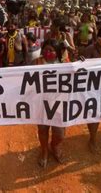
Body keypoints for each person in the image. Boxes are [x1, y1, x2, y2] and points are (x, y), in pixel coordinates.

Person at [32, 39, 67, 168]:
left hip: (59, 104)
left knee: (60, 134)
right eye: (46, 49)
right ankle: (44, 151)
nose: (48, 52)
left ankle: (55, 146)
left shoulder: (65, 64)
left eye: (51, 50)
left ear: (57, 52)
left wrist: (81, 63)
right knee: (43, 129)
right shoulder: (36, 62)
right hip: (41, 103)